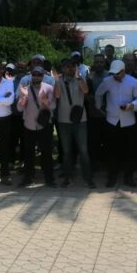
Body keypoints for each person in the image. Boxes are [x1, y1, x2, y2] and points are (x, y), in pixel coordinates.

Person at [94, 60, 137, 188]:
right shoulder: (107, 81)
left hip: (129, 120)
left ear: (123, 71)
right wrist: (99, 107)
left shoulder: (133, 81)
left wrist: (132, 105)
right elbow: (98, 94)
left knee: (130, 151)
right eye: (114, 74)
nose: (115, 76)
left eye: (118, 73)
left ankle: (129, 178)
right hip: (112, 120)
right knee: (112, 151)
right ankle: (112, 177)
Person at [56, 58, 94, 188]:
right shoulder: (59, 80)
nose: (70, 69)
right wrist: (57, 81)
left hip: (80, 120)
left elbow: (86, 90)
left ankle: (88, 178)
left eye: (72, 66)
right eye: (67, 66)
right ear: (62, 68)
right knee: (67, 152)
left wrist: (78, 78)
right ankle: (67, 178)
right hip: (64, 121)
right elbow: (57, 95)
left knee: (83, 150)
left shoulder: (80, 79)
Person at [17, 66, 57, 187]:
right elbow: (19, 108)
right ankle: (28, 178)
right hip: (29, 125)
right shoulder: (25, 89)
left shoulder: (49, 88)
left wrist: (44, 100)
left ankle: (49, 179)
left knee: (47, 153)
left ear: (42, 76)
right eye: (34, 74)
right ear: (31, 75)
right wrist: (24, 97)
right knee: (28, 154)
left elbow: (53, 106)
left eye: (39, 75)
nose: (36, 77)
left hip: (44, 125)